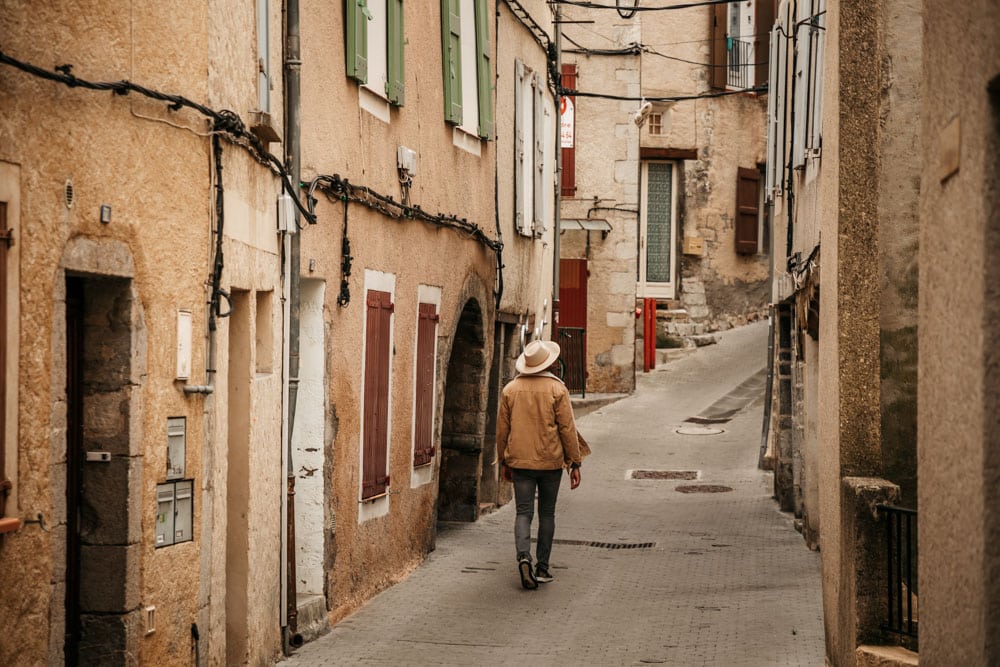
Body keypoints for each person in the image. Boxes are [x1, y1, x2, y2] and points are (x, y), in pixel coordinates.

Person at [496, 339, 583, 590]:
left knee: (523, 512)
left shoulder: (510, 390)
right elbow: (568, 429)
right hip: (550, 462)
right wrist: (574, 463)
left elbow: (502, 430)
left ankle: (524, 556)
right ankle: (542, 567)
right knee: (547, 514)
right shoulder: (558, 390)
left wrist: (503, 459)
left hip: (520, 461)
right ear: (550, 363)